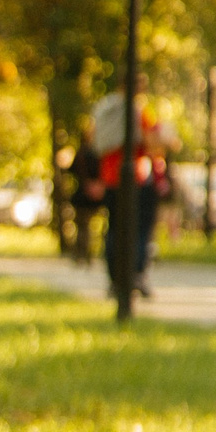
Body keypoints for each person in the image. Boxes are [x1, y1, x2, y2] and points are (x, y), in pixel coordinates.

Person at [90, 79, 176, 298]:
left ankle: (115, 278)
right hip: (136, 177)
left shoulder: (105, 109)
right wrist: (166, 141)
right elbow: (151, 144)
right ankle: (135, 274)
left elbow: (94, 141)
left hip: (110, 178)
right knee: (139, 229)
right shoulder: (139, 112)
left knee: (114, 228)